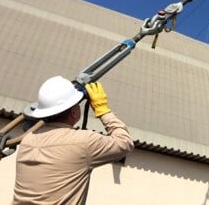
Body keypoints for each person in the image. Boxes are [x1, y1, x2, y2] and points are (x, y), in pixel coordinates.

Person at [13, 76, 134, 204]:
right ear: (74, 112)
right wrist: (103, 110)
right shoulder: (83, 142)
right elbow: (124, 142)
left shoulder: (28, 139)